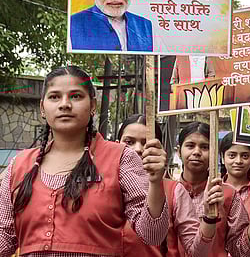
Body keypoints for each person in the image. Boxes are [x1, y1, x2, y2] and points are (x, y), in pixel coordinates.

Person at [0, 66, 169, 256]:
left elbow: (153, 235)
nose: (64, 104)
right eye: (54, 97)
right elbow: (4, 237)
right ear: (42, 108)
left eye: (76, 96)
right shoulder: (19, 165)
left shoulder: (120, 158)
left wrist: (155, 183)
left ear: (93, 106)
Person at [117, 114, 216, 257]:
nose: (137, 149)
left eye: (145, 142)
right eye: (129, 142)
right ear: (115, 144)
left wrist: (209, 217)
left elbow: (197, 252)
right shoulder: (102, 184)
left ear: (160, 149)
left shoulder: (174, 191)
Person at [176, 122, 250, 257]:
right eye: (190, 146)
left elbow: (239, 250)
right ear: (178, 151)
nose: (197, 152)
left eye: (204, 147)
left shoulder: (227, 194)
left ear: (214, 154)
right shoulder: (167, 192)